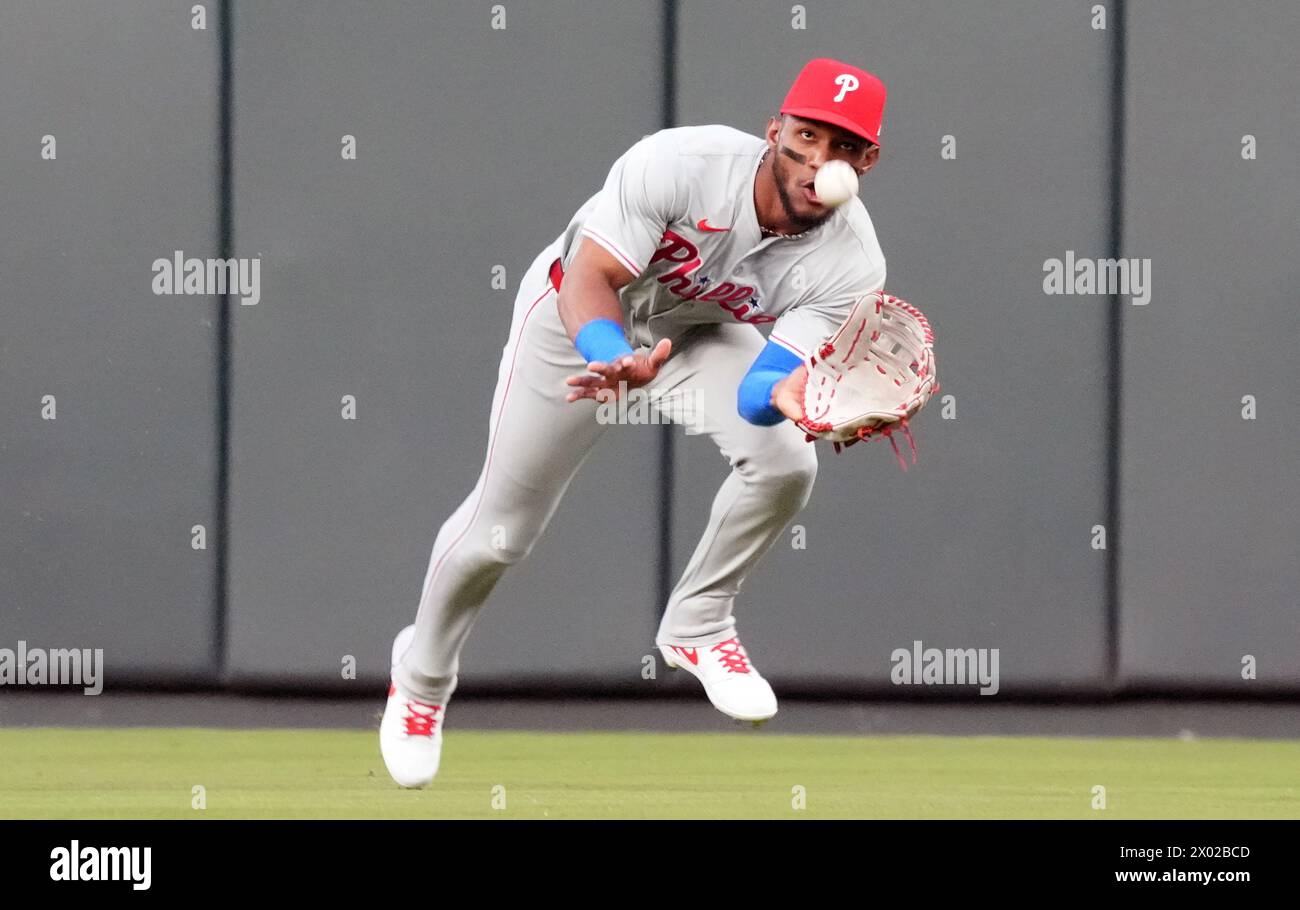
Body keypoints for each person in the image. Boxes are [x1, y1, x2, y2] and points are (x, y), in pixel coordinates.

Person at [381, 57, 888, 788]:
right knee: (501, 533)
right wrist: (609, 353)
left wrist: (789, 402)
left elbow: (761, 387)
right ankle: (421, 680)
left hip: (695, 337)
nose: (821, 160)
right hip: (575, 327)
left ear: (868, 160)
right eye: (808, 135)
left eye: (844, 147)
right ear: (775, 130)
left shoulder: (853, 263)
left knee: (786, 462)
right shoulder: (683, 163)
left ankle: (699, 626)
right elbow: (592, 278)